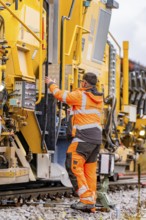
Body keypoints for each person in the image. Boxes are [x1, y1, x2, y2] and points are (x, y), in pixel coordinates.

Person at [45, 72, 103, 212]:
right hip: (96, 139)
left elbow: (61, 95)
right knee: (89, 172)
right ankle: (91, 202)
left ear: (84, 83)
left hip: (83, 138)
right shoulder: (98, 98)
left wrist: (50, 83)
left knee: (73, 165)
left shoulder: (81, 96)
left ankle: (85, 200)